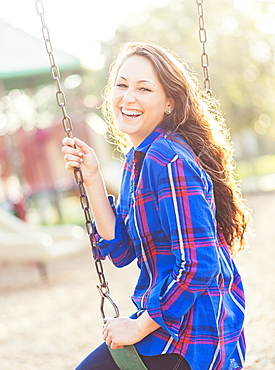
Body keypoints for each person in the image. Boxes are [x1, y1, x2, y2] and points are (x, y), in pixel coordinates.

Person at [62, 42, 251, 370]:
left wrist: (137, 327)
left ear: (169, 103)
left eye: (144, 88)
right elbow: (121, 250)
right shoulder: (137, 160)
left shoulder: (167, 159)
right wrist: (92, 178)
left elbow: (199, 265)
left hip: (195, 332)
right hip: (170, 319)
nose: (128, 97)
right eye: (122, 85)